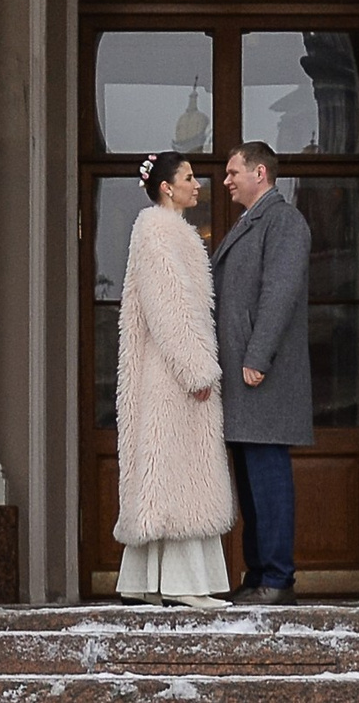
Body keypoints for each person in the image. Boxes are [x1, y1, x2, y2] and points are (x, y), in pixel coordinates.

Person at [113, 150, 236, 607]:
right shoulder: (160, 232)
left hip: (166, 372)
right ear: (167, 187)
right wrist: (196, 367)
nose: (197, 184)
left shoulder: (164, 233)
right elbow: (170, 309)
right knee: (181, 471)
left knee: (164, 471)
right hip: (172, 376)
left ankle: (145, 579)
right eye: (188, 178)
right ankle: (185, 584)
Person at [212, 140, 313, 606]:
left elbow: (279, 293)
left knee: (269, 478)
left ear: (260, 173)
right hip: (243, 379)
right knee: (252, 482)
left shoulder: (284, 220)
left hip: (262, 377)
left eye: (235, 172)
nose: (227, 179)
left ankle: (277, 578)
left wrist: (257, 357)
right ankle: (258, 575)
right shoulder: (252, 221)